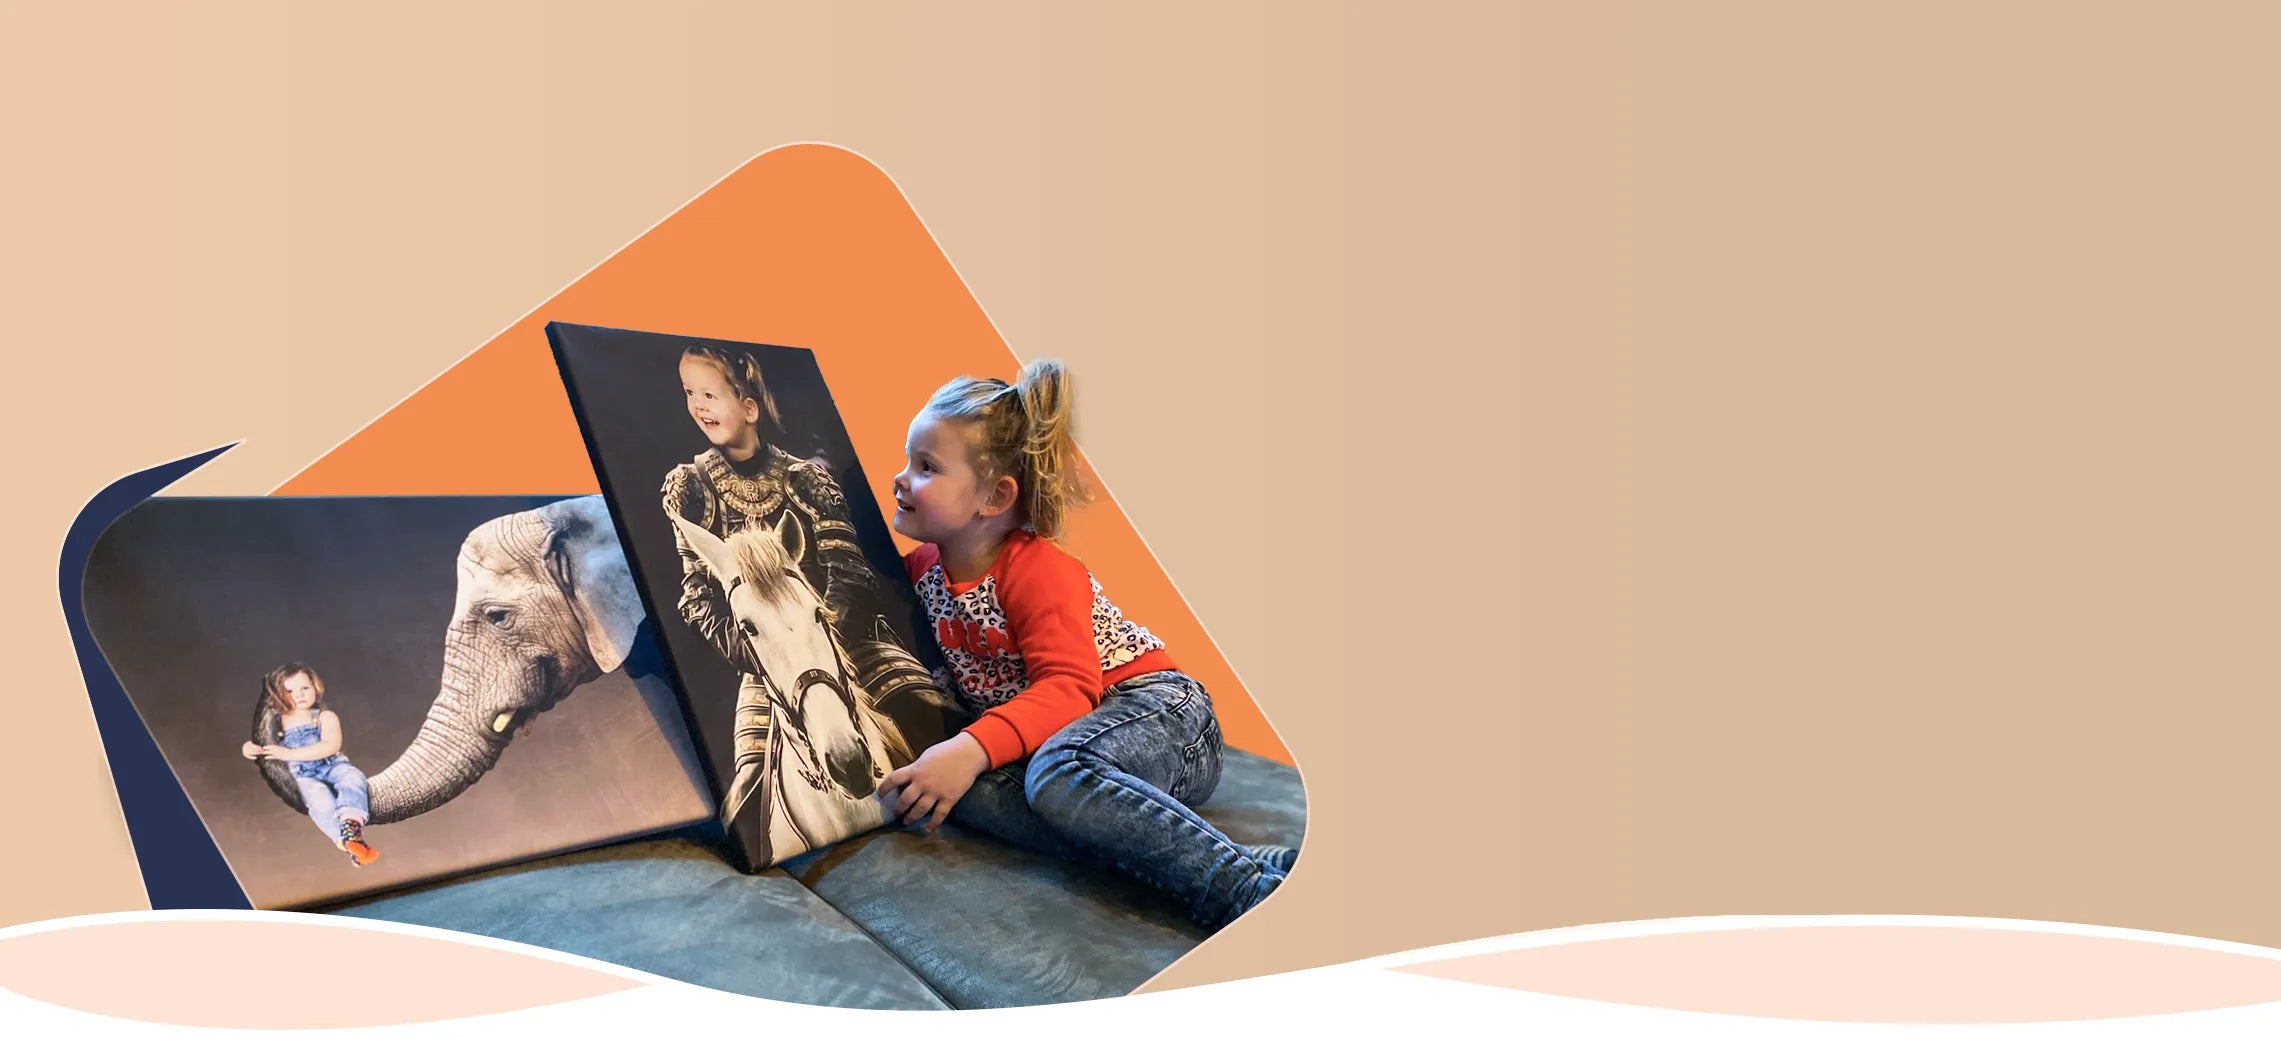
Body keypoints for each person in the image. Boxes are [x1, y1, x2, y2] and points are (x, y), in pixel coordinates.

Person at [876, 359, 1295, 931]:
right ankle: (1223, 857)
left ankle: (1246, 889)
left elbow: (1070, 692)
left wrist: (969, 749)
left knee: (1055, 771)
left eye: (926, 467)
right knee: (955, 796)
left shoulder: (1038, 571)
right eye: (906, 460)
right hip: (1089, 753)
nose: (901, 478)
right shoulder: (921, 570)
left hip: (1156, 714)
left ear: (995, 497)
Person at [661, 343, 944, 847]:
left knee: (928, 704)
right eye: (690, 394)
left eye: (711, 393)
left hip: (841, 637)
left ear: (749, 407)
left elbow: (848, 567)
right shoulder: (689, 487)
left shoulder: (806, 479)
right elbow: (696, 595)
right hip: (764, 658)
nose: (699, 405)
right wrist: (760, 648)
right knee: (744, 786)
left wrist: (820, 630)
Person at [241, 662, 379, 867]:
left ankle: (351, 824)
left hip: (332, 765)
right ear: (278, 695)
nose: (299, 695)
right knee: (319, 802)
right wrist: (249, 749)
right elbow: (261, 744)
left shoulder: (325, 716)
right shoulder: (276, 723)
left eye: (305, 688)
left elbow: (330, 746)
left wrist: (289, 753)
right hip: (304, 775)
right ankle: (348, 843)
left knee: (352, 778)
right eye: (289, 691)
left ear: (316, 687)